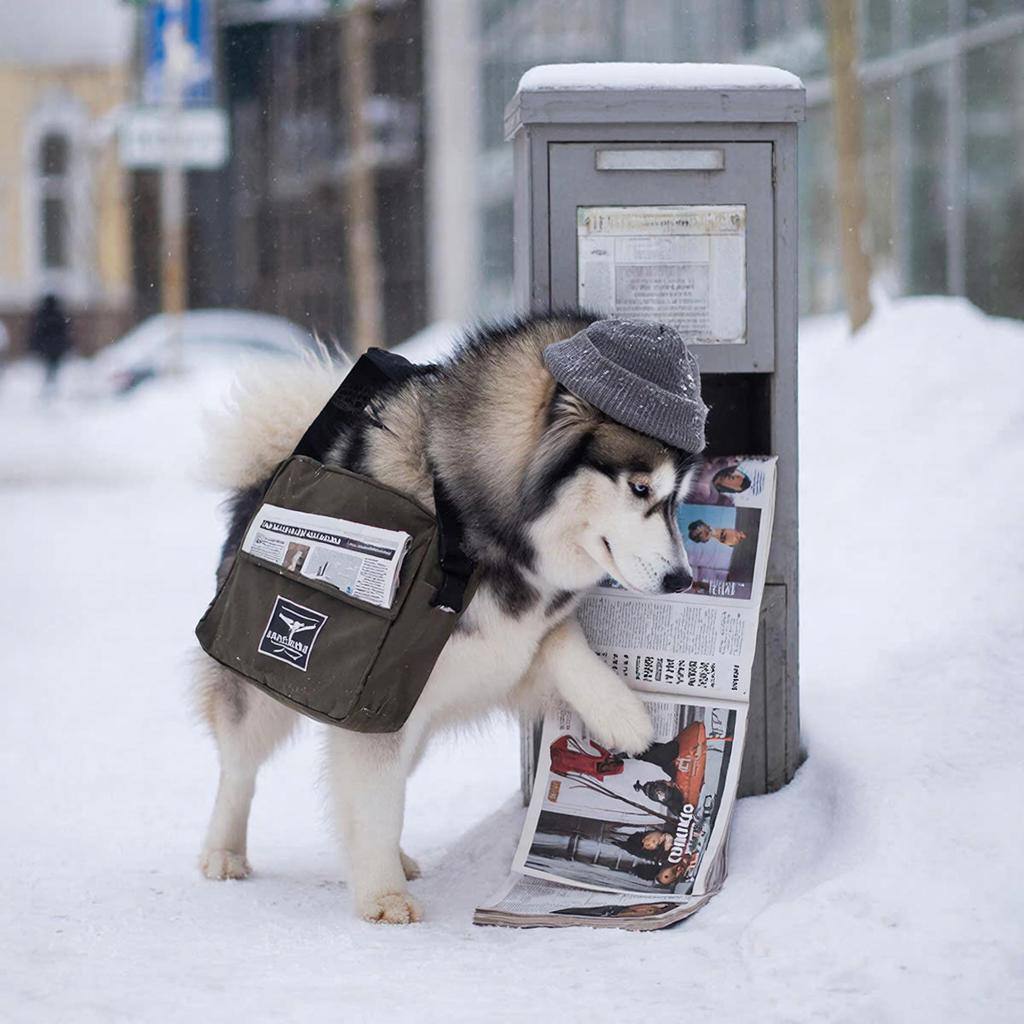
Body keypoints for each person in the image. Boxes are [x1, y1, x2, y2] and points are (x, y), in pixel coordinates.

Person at [28, 294, 73, 396]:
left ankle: (49, 385)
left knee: (47, 367)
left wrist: (35, 345)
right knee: (53, 367)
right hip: (56, 347)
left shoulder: (42, 314)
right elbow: (65, 332)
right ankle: (51, 385)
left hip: (46, 347)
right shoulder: (59, 314)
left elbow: (36, 332)